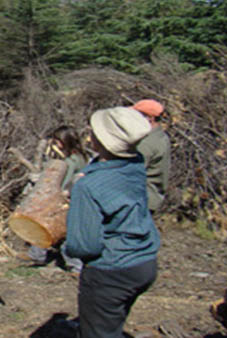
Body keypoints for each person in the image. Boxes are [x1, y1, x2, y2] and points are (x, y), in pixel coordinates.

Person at [64, 107, 160, 338]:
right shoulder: (135, 162)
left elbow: (85, 246)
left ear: (101, 141)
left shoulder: (88, 187)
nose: (89, 137)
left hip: (112, 271)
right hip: (145, 261)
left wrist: (64, 245)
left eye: (94, 133)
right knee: (112, 325)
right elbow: (106, 171)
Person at [27, 126, 87, 272]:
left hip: (69, 201)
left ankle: (76, 267)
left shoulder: (72, 161)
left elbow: (65, 182)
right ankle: (37, 254)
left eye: (57, 140)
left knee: (60, 232)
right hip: (72, 200)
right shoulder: (80, 157)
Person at [132, 99, 171, 214]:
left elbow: (130, 172)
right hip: (150, 198)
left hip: (140, 201)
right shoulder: (161, 137)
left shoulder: (146, 144)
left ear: (149, 118)